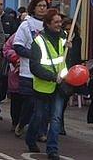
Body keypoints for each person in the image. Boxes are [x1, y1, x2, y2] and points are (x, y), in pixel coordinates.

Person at [25, 8, 68, 160]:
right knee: (39, 116)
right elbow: (34, 67)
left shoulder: (65, 39)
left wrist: (71, 47)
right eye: (55, 22)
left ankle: (52, 149)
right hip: (43, 86)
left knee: (56, 118)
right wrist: (51, 77)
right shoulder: (39, 41)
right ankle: (30, 138)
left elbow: (68, 60)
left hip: (60, 86)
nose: (59, 24)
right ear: (47, 24)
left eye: (60, 22)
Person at [13, 0, 48, 138]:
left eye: (45, 6)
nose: (42, 8)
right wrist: (35, 55)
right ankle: (22, 123)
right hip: (28, 71)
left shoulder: (49, 25)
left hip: (45, 72)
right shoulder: (26, 25)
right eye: (40, 5)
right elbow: (18, 46)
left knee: (43, 105)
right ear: (33, 7)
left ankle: (40, 131)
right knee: (30, 103)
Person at [0, 0, 17, 119]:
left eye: (1, 4)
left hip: (5, 58)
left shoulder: (9, 19)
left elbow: (14, 36)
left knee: (2, 84)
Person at [61, 18, 83, 136]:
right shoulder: (61, 38)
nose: (69, 31)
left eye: (71, 29)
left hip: (71, 71)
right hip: (62, 70)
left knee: (65, 97)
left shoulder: (78, 39)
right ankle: (59, 122)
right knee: (60, 98)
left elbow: (77, 55)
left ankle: (59, 120)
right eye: (66, 29)